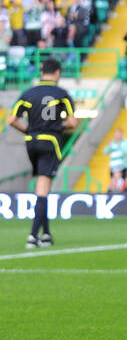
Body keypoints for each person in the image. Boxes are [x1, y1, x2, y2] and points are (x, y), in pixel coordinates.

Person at [7, 58, 78, 248]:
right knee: (43, 190)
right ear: (57, 73)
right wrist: (57, 125)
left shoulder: (28, 93)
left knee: (40, 185)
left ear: (41, 72)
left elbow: (12, 119)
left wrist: (27, 131)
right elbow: (72, 123)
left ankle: (46, 234)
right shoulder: (62, 94)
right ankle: (32, 236)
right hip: (50, 141)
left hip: (31, 142)